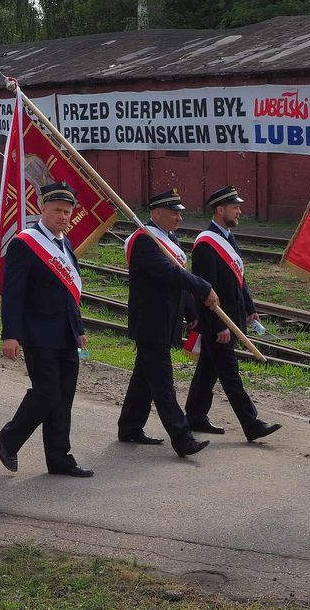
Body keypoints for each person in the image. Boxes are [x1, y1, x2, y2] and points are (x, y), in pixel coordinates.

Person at [0, 182, 92, 477]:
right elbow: (13, 294)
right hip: (38, 333)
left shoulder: (66, 244)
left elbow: (69, 294)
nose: (63, 217)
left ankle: (60, 458)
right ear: (42, 209)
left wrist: (79, 329)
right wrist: (10, 334)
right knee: (47, 394)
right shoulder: (26, 243)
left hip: (65, 333)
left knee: (64, 398)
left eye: (67, 212)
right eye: (57, 211)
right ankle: (10, 437)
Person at [118, 189, 217, 458]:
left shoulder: (167, 238)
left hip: (166, 320)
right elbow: (167, 272)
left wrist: (189, 310)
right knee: (163, 384)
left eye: (180, 212)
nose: (179, 217)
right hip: (150, 322)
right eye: (174, 212)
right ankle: (182, 437)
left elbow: (177, 278)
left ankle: (129, 427)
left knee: (144, 377)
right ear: (157, 212)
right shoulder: (145, 241)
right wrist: (203, 288)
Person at [183, 186, 281, 441]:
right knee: (230, 373)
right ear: (220, 210)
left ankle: (194, 415)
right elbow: (206, 290)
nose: (239, 211)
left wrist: (250, 309)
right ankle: (251, 424)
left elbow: (238, 280)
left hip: (234, 318)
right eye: (234, 207)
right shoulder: (206, 243)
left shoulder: (227, 237)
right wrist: (218, 326)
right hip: (220, 322)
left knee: (209, 368)